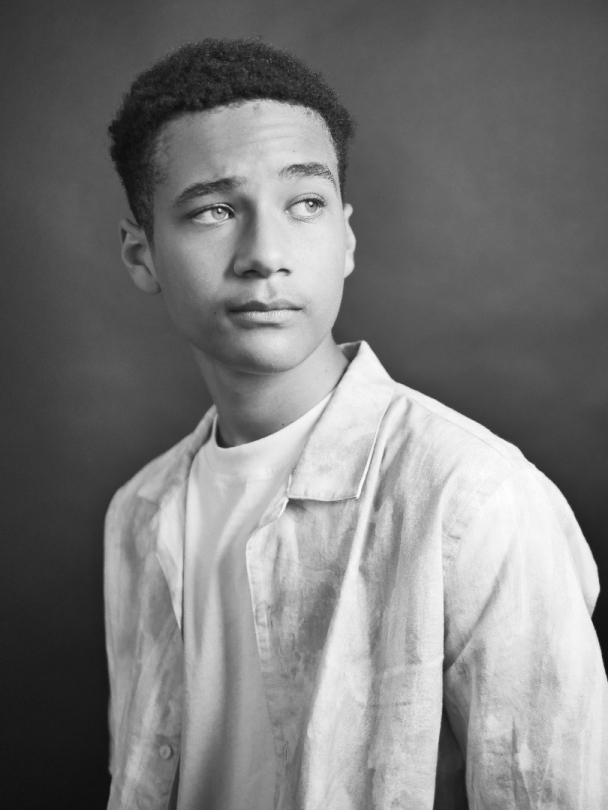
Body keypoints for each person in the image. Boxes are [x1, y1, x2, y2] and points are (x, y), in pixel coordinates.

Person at [104, 38, 608, 810]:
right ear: (142, 255)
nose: (265, 254)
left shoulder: (476, 500)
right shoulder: (137, 514)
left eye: (305, 203)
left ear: (345, 237)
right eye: (214, 210)